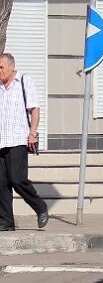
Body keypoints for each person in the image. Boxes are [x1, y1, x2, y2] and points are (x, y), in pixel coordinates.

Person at [0, 53, 48, 231]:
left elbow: (34, 109)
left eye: (1, 67)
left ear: (12, 67)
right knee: (1, 183)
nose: (0, 71)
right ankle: (6, 222)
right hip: (1, 141)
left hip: (19, 139)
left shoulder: (24, 81)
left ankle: (40, 207)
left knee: (17, 179)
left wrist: (32, 134)